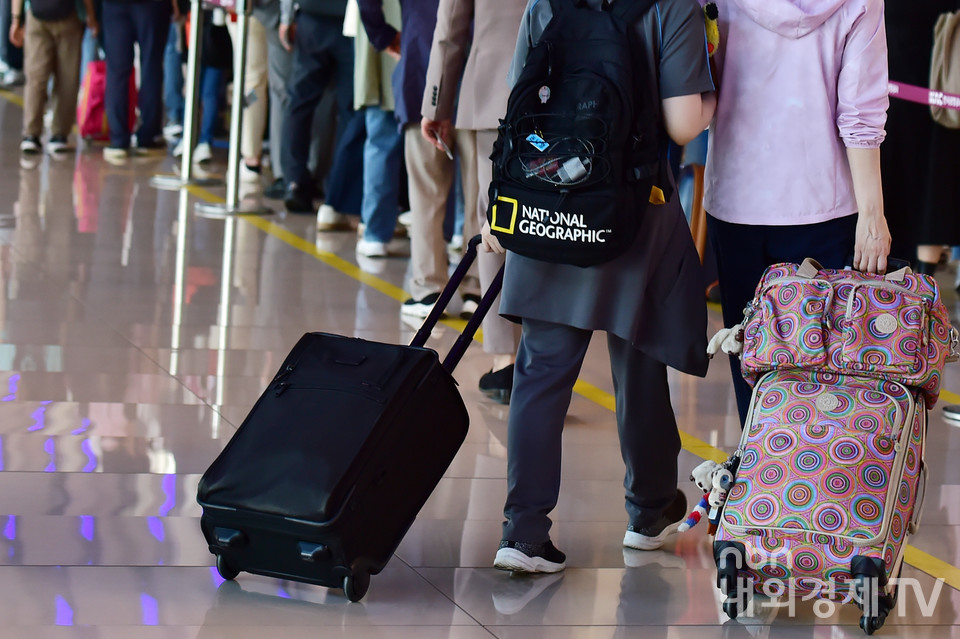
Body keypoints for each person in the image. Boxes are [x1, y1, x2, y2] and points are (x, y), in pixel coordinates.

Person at [485, 0, 717, 573]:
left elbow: (521, 99)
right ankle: (649, 510)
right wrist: (715, 88)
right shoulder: (673, 7)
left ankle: (525, 532)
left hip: (548, 203)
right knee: (639, 363)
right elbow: (683, 122)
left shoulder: (545, 4)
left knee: (539, 371)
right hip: (631, 209)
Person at [703, 0, 892, 426]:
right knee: (824, 373)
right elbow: (861, 110)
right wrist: (872, 214)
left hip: (737, 199)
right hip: (825, 204)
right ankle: (811, 483)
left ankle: (757, 479)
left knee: (749, 359)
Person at [421, 0, 526, 404]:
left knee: (496, 219)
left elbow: (450, 27)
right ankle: (547, 353)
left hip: (494, 91)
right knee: (555, 220)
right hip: (565, 89)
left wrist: (436, 104)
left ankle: (504, 358)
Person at [357, 0, 480, 317]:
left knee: (427, 190)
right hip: (480, 70)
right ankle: (477, 288)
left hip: (423, 63)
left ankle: (429, 289)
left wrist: (382, 35)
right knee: (480, 192)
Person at [881, 0, 960, 274]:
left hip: (933, 92)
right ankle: (922, 288)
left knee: (924, 184)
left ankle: (916, 289)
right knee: (930, 184)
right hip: (938, 90)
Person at [9, 0, 97, 155]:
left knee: (36, 78)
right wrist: (91, 15)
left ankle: (31, 135)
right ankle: (59, 135)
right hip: (69, 16)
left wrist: (16, 19)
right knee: (67, 78)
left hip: (37, 16)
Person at [100, 0, 177, 160]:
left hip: (114, 6)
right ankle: (148, 137)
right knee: (151, 67)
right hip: (152, 6)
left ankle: (118, 140)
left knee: (117, 71)